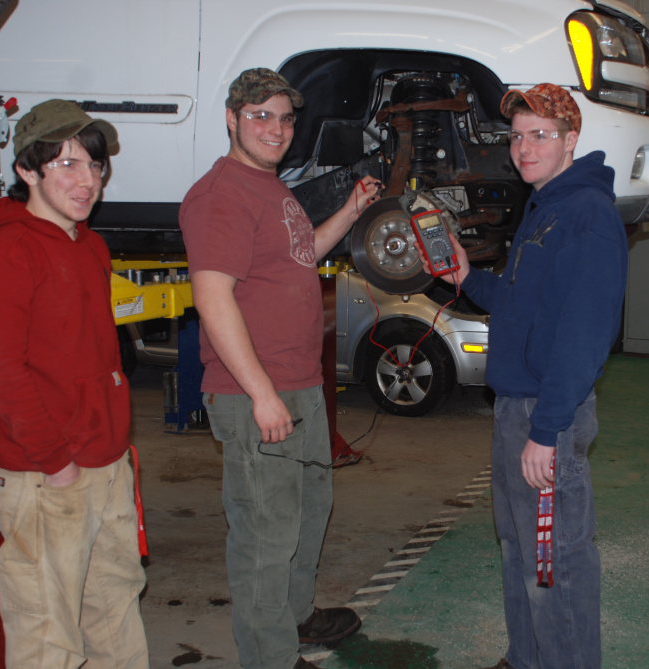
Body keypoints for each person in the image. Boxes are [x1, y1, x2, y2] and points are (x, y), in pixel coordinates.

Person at [178, 68, 382, 669]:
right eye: (260, 115)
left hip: (299, 386)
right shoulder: (221, 195)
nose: (275, 128)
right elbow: (213, 299)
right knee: (266, 535)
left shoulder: (273, 187)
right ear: (231, 117)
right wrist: (261, 394)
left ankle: (294, 617)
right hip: (256, 395)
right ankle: (269, 655)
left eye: (285, 118)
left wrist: (350, 211)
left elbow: (299, 257)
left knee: (308, 511)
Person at [424, 83, 626, 669]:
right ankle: (526, 656)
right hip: (516, 408)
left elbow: (584, 334)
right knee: (518, 547)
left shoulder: (587, 214)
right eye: (517, 136)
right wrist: (466, 278)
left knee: (554, 559)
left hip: (546, 415)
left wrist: (548, 428)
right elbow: (522, 303)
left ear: (570, 140)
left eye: (540, 135)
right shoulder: (545, 207)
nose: (524, 147)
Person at [0, 99, 150, 668]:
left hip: (106, 465)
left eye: (94, 166)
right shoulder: (7, 250)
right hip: (46, 477)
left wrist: (111, 453)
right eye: (67, 164)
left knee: (115, 612)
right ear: (27, 170)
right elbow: (2, 373)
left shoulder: (89, 245)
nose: (88, 180)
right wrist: (54, 461)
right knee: (48, 639)